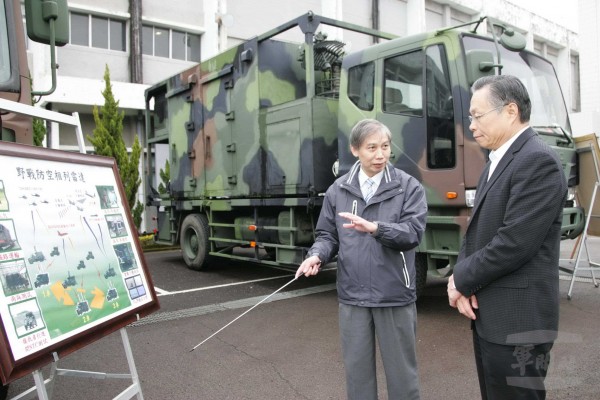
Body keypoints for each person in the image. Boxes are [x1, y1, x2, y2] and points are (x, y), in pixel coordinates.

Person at [447, 75, 566, 399]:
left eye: (477, 115)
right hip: (493, 317)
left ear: (510, 110)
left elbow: (514, 242)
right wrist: (465, 282)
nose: (471, 124)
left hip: (518, 324)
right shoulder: (496, 162)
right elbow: (476, 232)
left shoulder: (537, 161)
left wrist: (460, 278)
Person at [296, 119, 427, 400]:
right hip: (352, 297)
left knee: (403, 377)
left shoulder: (408, 187)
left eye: (385, 147)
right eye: (372, 148)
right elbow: (327, 235)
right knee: (357, 377)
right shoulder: (338, 190)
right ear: (355, 150)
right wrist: (316, 255)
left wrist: (376, 228)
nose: (380, 155)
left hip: (394, 295)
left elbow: (413, 233)